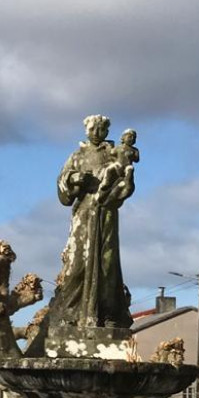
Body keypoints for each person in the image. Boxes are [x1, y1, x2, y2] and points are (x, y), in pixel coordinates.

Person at [48, 115, 135, 331]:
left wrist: (118, 184)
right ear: (86, 130)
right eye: (92, 128)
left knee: (107, 266)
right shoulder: (76, 156)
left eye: (101, 129)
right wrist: (74, 179)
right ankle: (70, 314)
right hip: (83, 214)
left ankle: (108, 315)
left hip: (106, 213)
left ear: (106, 131)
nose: (96, 132)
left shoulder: (112, 154)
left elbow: (124, 179)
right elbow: (62, 185)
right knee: (77, 264)